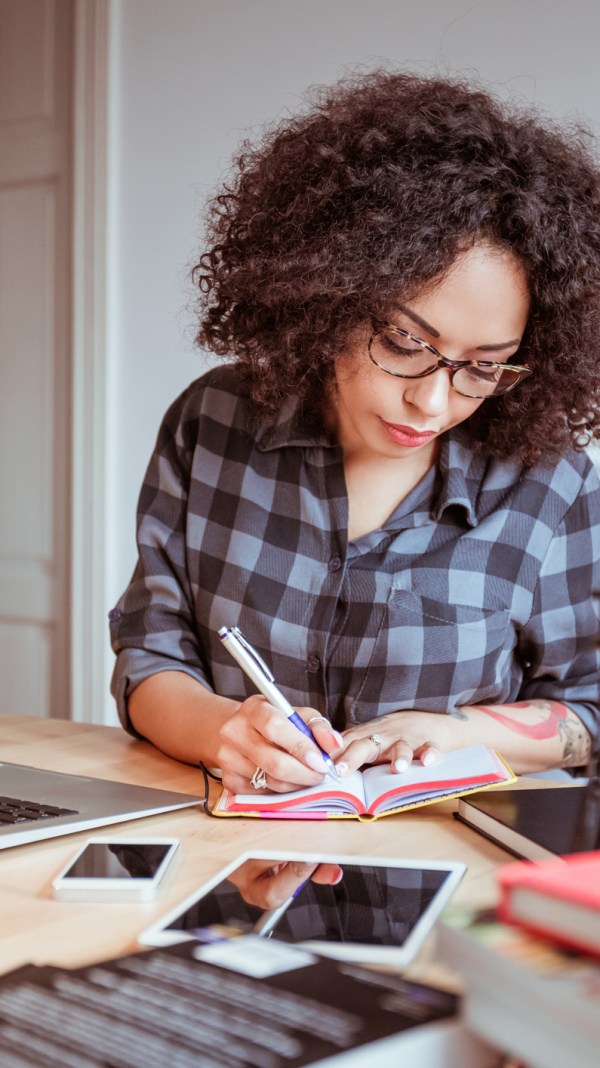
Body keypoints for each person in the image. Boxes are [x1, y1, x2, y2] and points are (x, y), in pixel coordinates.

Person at [110, 69, 600, 797]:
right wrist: (226, 731)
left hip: (449, 877)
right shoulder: (210, 423)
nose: (433, 403)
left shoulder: (547, 480)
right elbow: (150, 657)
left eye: (484, 368)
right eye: (404, 343)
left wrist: (461, 731)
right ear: (331, 295)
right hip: (232, 858)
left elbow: (590, 705)